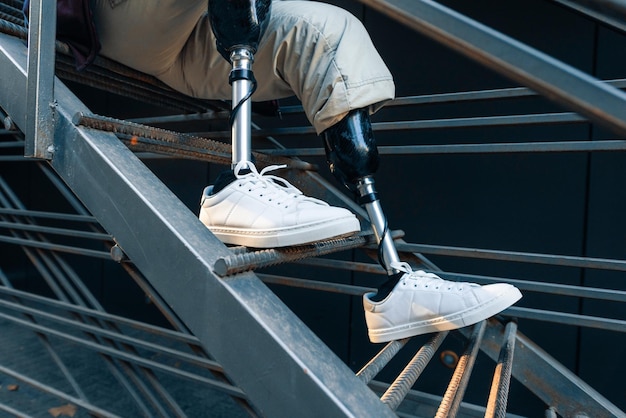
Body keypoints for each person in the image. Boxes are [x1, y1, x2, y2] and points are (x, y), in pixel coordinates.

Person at [50, 0, 521, 343]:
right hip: (115, 15)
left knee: (331, 32)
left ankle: (396, 280)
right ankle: (234, 181)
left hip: (195, 31)